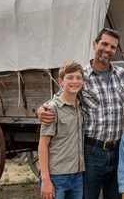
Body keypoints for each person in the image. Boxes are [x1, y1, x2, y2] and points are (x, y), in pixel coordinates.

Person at [37, 28, 124, 199]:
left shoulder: (123, 76)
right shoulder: (81, 77)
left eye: (112, 47)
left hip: (118, 151)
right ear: (95, 45)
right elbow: (59, 99)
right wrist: (40, 110)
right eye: (104, 44)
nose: (108, 49)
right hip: (92, 152)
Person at [38, 61, 85, 199]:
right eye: (70, 77)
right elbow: (43, 145)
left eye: (78, 78)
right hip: (56, 176)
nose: (74, 81)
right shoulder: (52, 108)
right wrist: (46, 179)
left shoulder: (81, 107)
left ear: (83, 81)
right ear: (61, 81)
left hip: (77, 176)